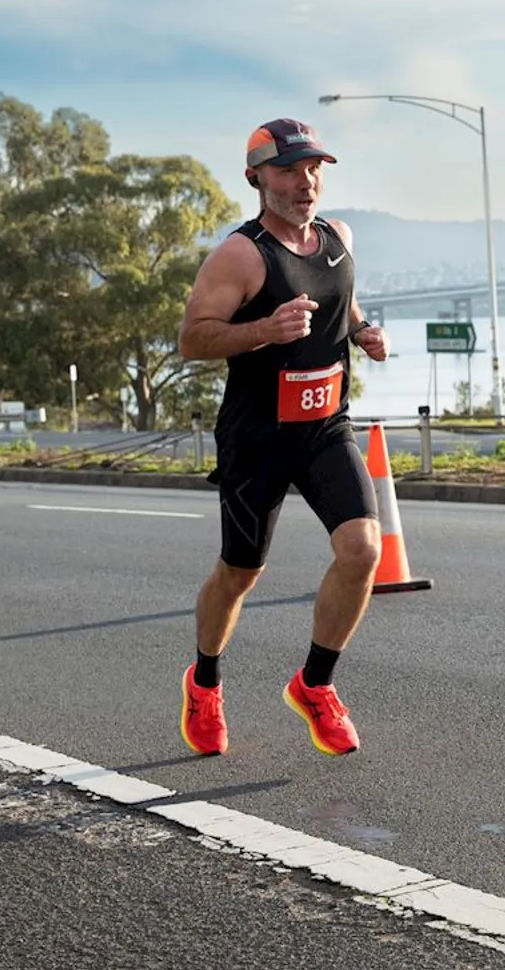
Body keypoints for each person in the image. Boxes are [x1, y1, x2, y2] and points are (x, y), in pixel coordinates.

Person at [174, 117, 389, 759]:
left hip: (325, 427)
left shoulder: (338, 237)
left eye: (314, 168)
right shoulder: (240, 256)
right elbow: (193, 339)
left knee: (364, 550)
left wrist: (361, 330)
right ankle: (204, 682)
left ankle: (315, 685)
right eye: (290, 170)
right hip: (258, 437)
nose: (306, 181)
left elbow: (340, 298)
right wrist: (264, 330)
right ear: (257, 178)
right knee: (240, 573)